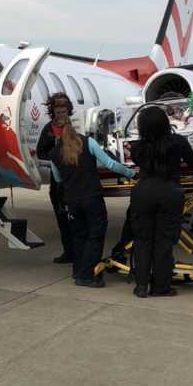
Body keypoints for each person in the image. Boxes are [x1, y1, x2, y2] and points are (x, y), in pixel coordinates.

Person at [129, 105, 193, 298]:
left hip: (143, 192)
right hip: (169, 191)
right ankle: (161, 287)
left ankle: (141, 286)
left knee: (142, 241)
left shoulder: (137, 146)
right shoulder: (178, 141)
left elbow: (139, 162)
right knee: (164, 242)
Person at [49, 119, 135, 288]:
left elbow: (58, 178)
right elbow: (110, 164)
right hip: (92, 197)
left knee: (78, 235)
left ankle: (79, 270)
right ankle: (87, 275)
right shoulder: (88, 142)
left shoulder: (54, 153)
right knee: (95, 234)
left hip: (72, 200)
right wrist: (131, 173)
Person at [36, 93, 75, 263]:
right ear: (53, 112)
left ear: (68, 111)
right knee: (62, 219)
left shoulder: (76, 126)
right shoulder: (48, 130)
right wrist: (56, 151)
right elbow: (40, 152)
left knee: (77, 220)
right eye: (58, 112)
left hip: (75, 180)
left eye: (64, 112)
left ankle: (79, 251)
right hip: (58, 182)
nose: (61, 115)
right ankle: (69, 252)